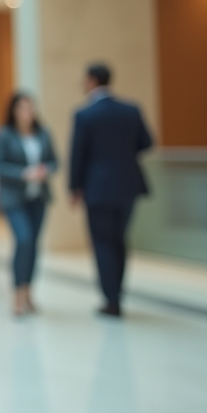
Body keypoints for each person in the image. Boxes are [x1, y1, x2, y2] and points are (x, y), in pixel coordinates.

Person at [69, 62, 154, 317]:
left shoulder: (85, 115)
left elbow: (78, 155)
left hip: (97, 188)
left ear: (93, 81)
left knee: (103, 242)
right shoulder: (131, 110)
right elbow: (147, 143)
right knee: (119, 240)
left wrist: (75, 187)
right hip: (128, 185)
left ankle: (111, 298)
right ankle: (118, 292)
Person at [0, 92, 59, 317]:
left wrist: (45, 170)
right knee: (23, 240)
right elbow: (0, 166)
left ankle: (29, 292)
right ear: (14, 111)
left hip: (38, 198)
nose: (28, 112)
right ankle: (17, 295)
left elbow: (54, 161)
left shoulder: (43, 134)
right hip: (15, 198)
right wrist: (24, 173)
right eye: (23, 108)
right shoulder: (6, 135)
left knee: (34, 245)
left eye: (31, 108)